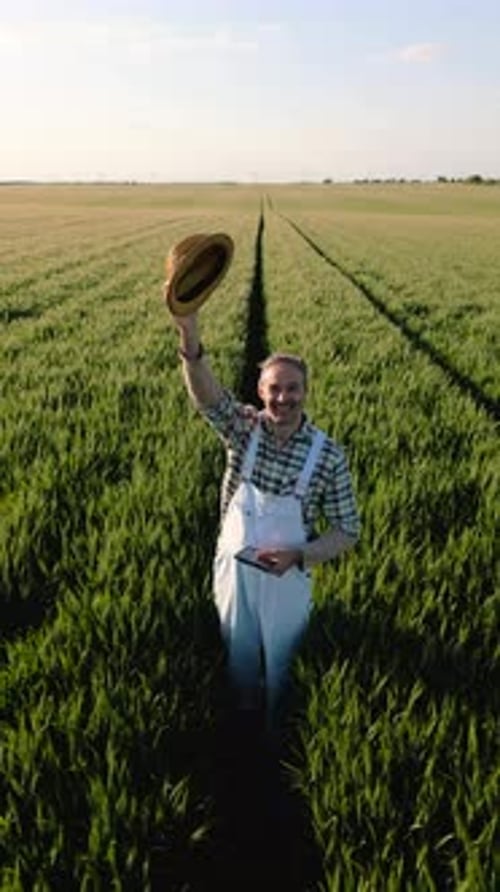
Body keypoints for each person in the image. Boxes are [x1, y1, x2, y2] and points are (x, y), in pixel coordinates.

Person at [169, 308, 360, 731]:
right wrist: (189, 334)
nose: (283, 398)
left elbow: (348, 530)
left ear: (306, 392)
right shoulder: (244, 429)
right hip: (235, 571)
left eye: (293, 389)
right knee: (237, 654)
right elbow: (207, 398)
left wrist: (300, 555)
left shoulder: (328, 455)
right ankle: (241, 727)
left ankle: (280, 734)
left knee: (283, 661)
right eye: (274, 389)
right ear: (260, 390)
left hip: (288, 577)